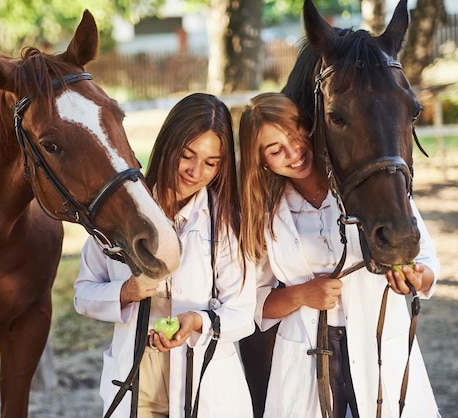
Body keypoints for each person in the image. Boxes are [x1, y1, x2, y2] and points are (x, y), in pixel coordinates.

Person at [236, 92, 440, 417]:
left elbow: (427, 264)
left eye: (295, 136)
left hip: (380, 345)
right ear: (260, 160)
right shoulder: (263, 214)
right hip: (307, 357)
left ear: (309, 128)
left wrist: (415, 278)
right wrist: (302, 294)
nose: (293, 153)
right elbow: (254, 305)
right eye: (275, 150)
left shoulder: (371, 184)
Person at [74, 92, 256, 418]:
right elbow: (82, 295)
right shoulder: (122, 212)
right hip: (137, 374)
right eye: (187, 155)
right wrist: (125, 292)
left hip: (204, 377)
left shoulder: (227, 223)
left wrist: (198, 320)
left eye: (211, 162)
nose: (196, 171)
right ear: (169, 143)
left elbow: (242, 314)